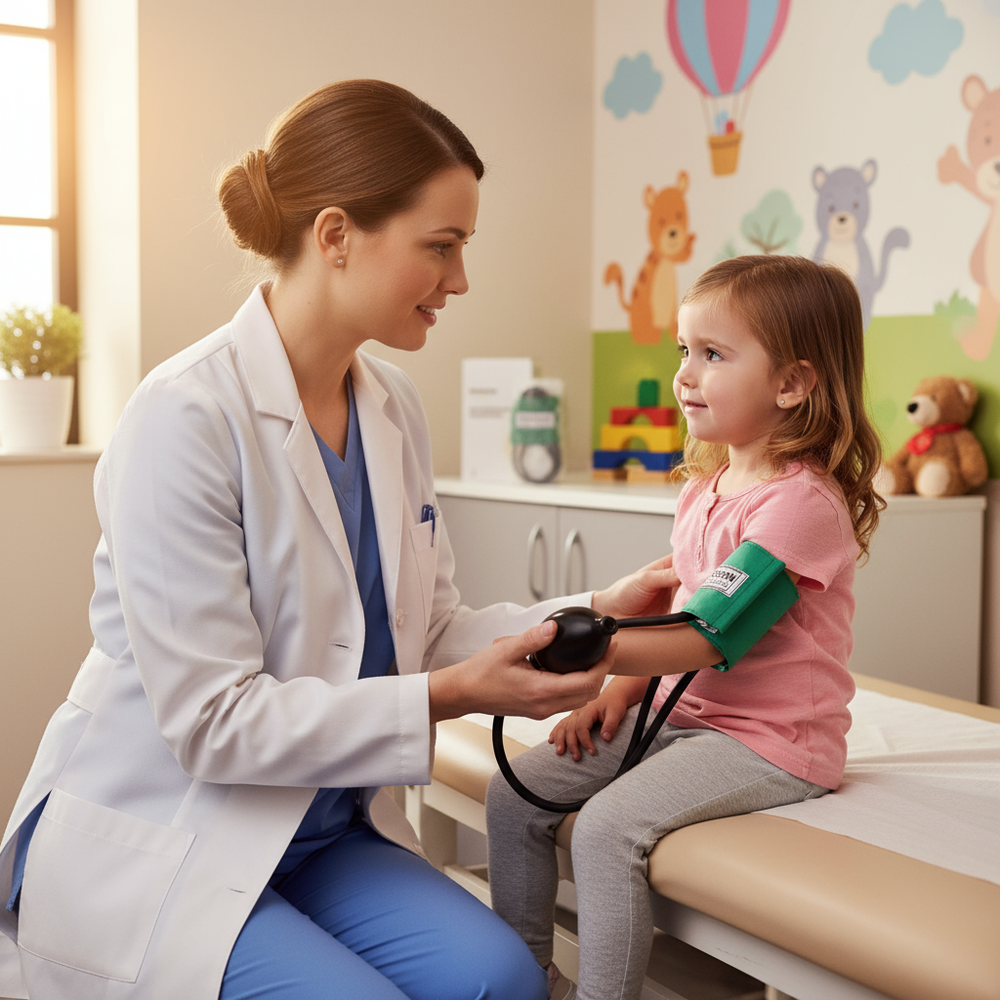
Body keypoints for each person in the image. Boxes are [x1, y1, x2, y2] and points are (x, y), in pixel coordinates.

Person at [0, 80, 615, 1000]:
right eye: (440, 247)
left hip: (319, 834)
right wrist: (449, 697)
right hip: (172, 833)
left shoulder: (392, 409)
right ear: (336, 236)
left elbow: (429, 626)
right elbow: (215, 724)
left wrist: (595, 611)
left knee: (502, 979)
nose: (459, 281)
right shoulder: (184, 416)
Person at [485, 254, 885, 1000]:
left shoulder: (801, 507)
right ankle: (524, 978)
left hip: (768, 743)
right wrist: (624, 690)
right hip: (684, 714)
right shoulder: (705, 488)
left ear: (792, 384)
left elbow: (709, 634)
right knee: (516, 795)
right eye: (683, 351)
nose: (685, 375)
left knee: (607, 829)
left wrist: (594, 647)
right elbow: (677, 616)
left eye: (713, 354)